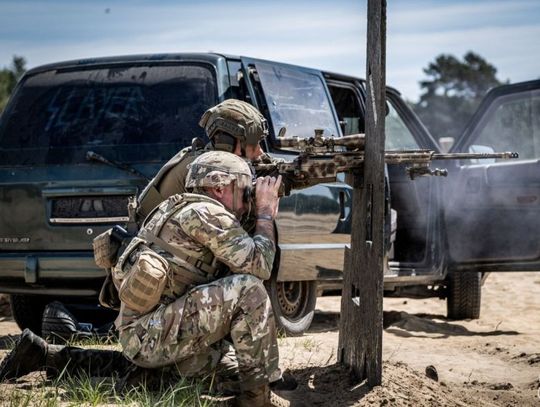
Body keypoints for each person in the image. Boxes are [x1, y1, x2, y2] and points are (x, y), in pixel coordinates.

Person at [0, 151, 291, 407]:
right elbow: (258, 266)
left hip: (146, 333)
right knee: (247, 291)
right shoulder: (206, 213)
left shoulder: (176, 207)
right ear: (217, 187)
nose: (247, 197)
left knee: (223, 371)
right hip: (151, 334)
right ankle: (256, 401)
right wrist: (265, 213)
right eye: (242, 188)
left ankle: (49, 355)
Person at [136, 98, 269, 221]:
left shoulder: (207, 158)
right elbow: (226, 229)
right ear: (228, 142)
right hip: (153, 242)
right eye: (254, 144)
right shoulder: (205, 169)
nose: (260, 151)